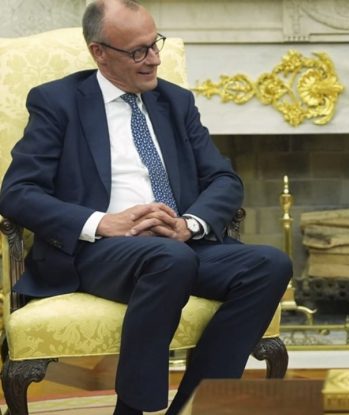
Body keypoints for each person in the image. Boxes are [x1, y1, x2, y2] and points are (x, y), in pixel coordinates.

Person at [0, 0, 292, 414]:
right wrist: (103, 223)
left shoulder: (176, 102)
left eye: (155, 44)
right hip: (97, 251)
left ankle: (194, 407)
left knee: (270, 265)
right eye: (139, 51)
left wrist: (188, 225)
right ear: (100, 52)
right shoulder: (58, 102)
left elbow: (224, 179)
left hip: (180, 246)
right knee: (169, 260)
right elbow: (18, 192)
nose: (154, 59)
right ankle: (133, 410)